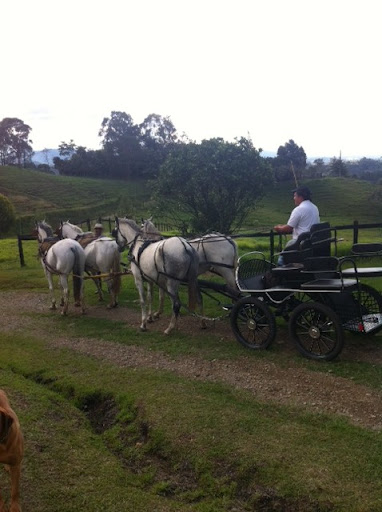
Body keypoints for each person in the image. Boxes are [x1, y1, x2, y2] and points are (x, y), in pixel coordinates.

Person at [274, 186, 320, 264]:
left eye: (295, 196)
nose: (294, 198)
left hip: (300, 243)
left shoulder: (299, 209)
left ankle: (281, 272)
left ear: (301, 197)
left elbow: (288, 228)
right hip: (312, 242)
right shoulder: (314, 207)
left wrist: (279, 228)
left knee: (281, 259)